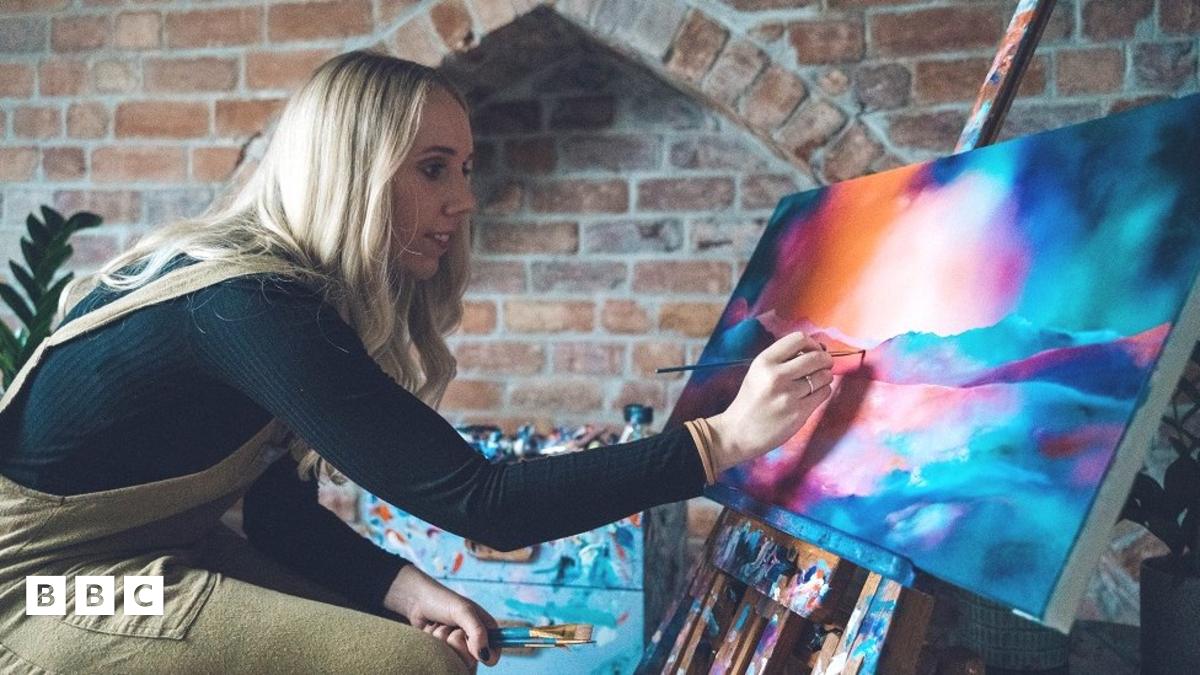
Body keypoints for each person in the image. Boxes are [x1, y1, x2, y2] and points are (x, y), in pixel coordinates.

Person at [0, 50, 834, 674]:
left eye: (464, 169)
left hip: (147, 556)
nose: (463, 199)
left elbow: (275, 513)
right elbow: (488, 503)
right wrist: (719, 441)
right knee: (417, 665)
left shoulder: (267, 294)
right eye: (433, 169)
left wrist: (405, 587)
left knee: (399, 634)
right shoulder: (246, 304)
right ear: (350, 171)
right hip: (41, 589)